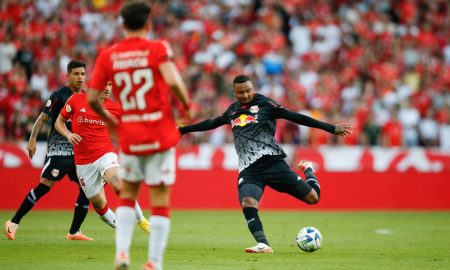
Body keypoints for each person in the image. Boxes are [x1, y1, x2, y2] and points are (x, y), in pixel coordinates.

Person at [179, 75, 352, 253]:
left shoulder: (265, 104)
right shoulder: (232, 111)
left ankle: (308, 169)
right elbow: (211, 123)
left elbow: (295, 117)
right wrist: (183, 130)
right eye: (241, 92)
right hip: (249, 170)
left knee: (313, 198)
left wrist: (331, 128)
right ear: (234, 92)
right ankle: (263, 244)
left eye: (248, 91)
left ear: (252, 88)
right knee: (248, 202)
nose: (245, 95)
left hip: (272, 163)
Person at [87, 1, 193, 269]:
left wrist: (112, 123)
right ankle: (153, 263)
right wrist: (186, 104)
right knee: (159, 198)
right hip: (159, 132)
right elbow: (172, 81)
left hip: (130, 135)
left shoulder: (108, 55)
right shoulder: (158, 48)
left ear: (122, 25)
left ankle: (122, 253)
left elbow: (92, 98)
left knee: (127, 194)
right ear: (148, 24)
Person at [5, 60, 93, 241]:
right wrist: (32, 139)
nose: (80, 77)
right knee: (44, 187)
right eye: (76, 74)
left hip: (78, 152)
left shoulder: (85, 97)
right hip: (59, 149)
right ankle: (13, 223)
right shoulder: (58, 95)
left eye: (83, 74)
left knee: (87, 189)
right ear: (67, 76)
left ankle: (74, 231)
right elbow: (43, 117)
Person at [55, 82, 150, 233]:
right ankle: (122, 229)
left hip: (105, 153)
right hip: (83, 162)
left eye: (110, 85)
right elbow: (58, 122)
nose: (107, 88)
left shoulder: (114, 108)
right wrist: (68, 134)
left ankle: (141, 220)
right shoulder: (76, 100)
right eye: (104, 85)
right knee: (99, 205)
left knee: (119, 184)